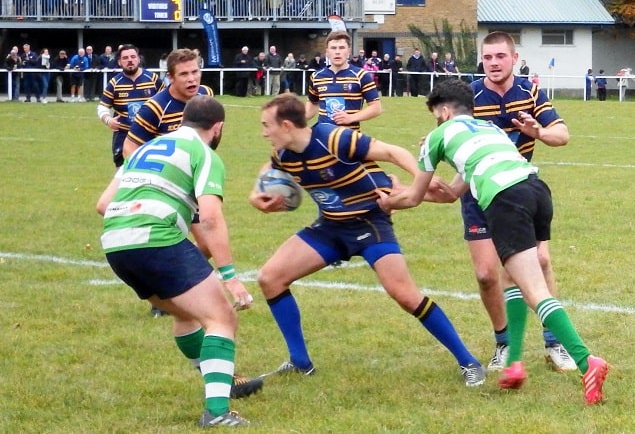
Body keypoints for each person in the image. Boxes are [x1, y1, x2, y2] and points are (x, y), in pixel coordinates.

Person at [376, 79, 609, 405]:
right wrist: (406, 194)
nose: (436, 122)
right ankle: (514, 363)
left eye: (436, 116)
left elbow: (414, 197)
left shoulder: (437, 137)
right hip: (536, 190)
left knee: (535, 291)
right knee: (511, 277)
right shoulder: (489, 129)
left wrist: (389, 201)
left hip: (506, 199)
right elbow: (453, 193)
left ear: (444, 112)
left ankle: (587, 361)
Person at [249, 93, 487, 387]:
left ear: (286, 125)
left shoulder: (333, 138)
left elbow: (392, 152)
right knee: (270, 278)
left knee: (405, 295)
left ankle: (469, 362)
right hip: (330, 226)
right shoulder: (284, 153)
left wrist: (418, 179)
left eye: (267, 125)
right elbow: (269, 168)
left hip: (369, 222)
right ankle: (300, 362)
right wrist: (256, 194)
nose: (264, 133)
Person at [96, 48, 263, 399]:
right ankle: (217, 413)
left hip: (115, 241)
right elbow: (212, 218)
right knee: (222, 316)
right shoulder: (203, 152)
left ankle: (222, 379)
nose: (191, 78)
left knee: (188, 312)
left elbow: (102, 205)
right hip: (156, 236)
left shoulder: (147, 149)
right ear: (218, 127)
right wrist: (231, 278)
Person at [468, 31, 575, 372]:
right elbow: (450, 133)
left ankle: (554, 343)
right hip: (479, 193)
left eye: (500, 56)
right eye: (488, 57)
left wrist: (538, 132)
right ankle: (503, 343)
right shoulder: (470, 95)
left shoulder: (529, 92)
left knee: (541, 261)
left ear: (514, 58)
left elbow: (562, 135)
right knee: (486, 274)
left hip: (518, 191)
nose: (493, 63)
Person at [97, 44, 165, 168]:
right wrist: (108, 120)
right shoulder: (114, 83)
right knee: (122, 172)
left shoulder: (153, 79)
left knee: (151, 171)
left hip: (149, 133)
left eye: (133, 57)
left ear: (138, 59)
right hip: (123, 134)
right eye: (125, 58)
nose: (130, 60)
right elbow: (102, 106)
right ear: (119, 62)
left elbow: (166, 101)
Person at [306, 30, 380, 131]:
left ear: (349, 51)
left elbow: (376, 108)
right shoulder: (316, 77)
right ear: (327, 52)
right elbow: (312, 103)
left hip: (350, 137)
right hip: (323, 136)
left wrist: (351, 118)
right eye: (333, 48)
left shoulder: (361, 76)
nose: (337, 52)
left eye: (341, 48)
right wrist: (295, 120)